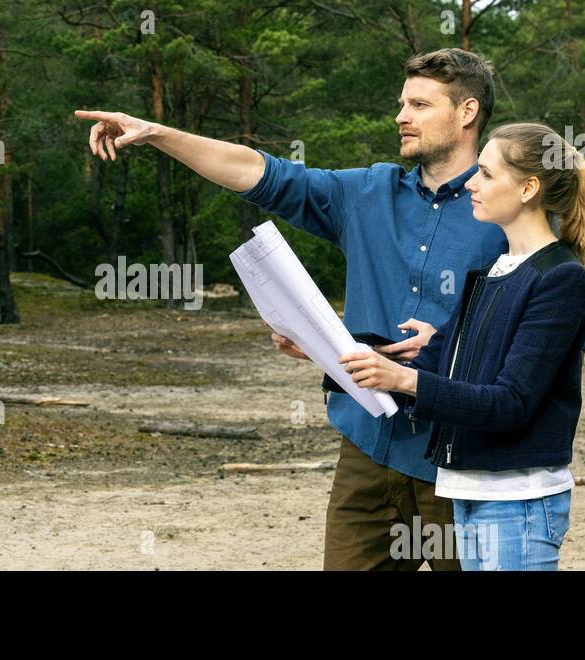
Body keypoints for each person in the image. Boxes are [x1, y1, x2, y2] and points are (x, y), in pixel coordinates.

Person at [76, 48, 506, 570]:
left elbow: (539, 338)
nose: (401, 116)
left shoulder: (508, 209)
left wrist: (448, 348)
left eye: (419, 104)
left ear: (467, 113)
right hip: (369, 447)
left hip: (462, 457)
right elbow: (261, 172)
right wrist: (158, 133)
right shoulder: (368, 193)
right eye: (401, 103)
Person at [337, 122, 585, 570]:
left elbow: (510, 403)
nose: (469, 183)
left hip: (517, 502)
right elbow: (432, 364)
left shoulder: (559, 278)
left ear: (528, 188)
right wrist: (320, 346)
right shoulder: (488, 273)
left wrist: (405, 379)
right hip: (466, 492)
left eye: (485, 173)